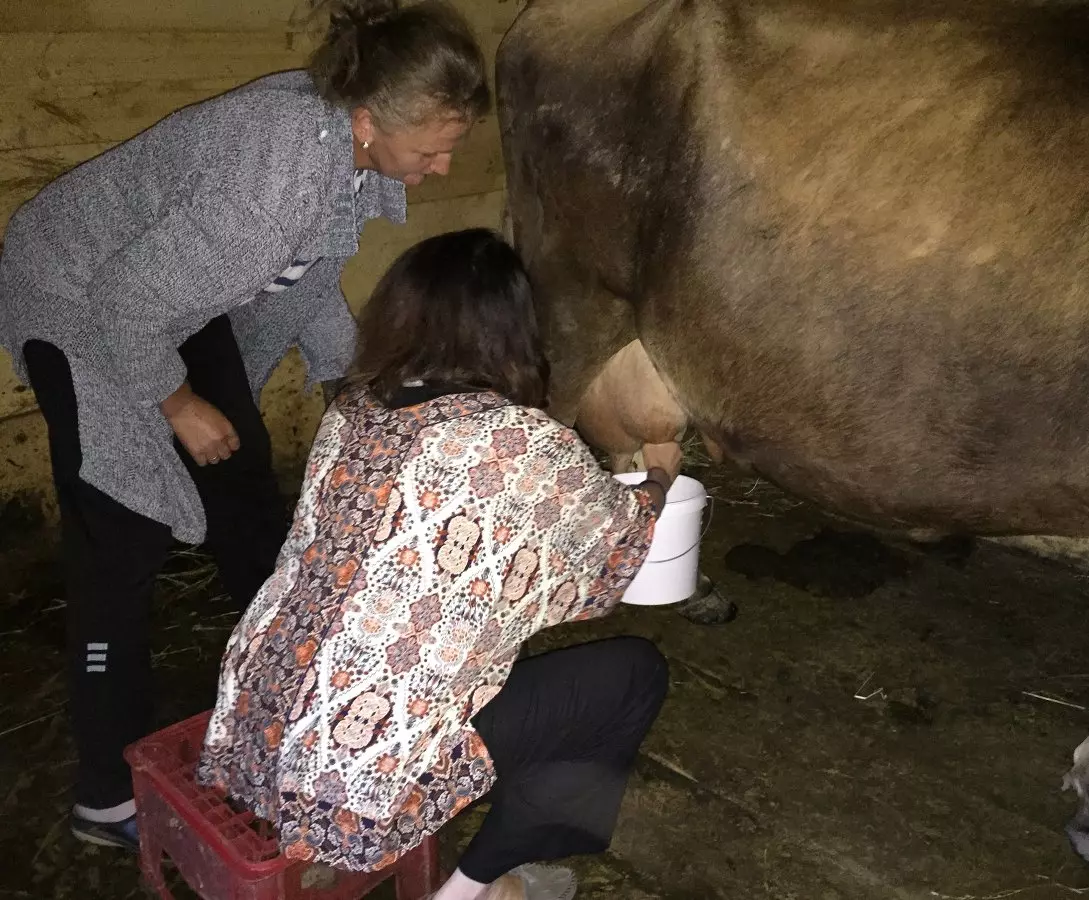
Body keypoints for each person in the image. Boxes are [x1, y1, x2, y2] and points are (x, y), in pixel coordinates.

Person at [0, 0, 489, 851]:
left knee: (245, 490)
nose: (443, 168)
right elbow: (124, 305)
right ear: (369, 120)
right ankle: (104, 790)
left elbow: (303, 283)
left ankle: (289, 700)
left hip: (167, 293)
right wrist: (178, 404)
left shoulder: (345, 153)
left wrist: (355, 389)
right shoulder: (273, 183)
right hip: (79, 296)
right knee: (121, 533)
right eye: (433, 149)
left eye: (453, 147)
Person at [197, 228, 682, 900]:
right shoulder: (518, 442)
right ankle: (471, 889)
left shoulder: (352, 413)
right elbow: (615, 556)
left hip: (254, 723)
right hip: (357, 782)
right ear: (515, 331)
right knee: (632, 676)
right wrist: (658, 482)